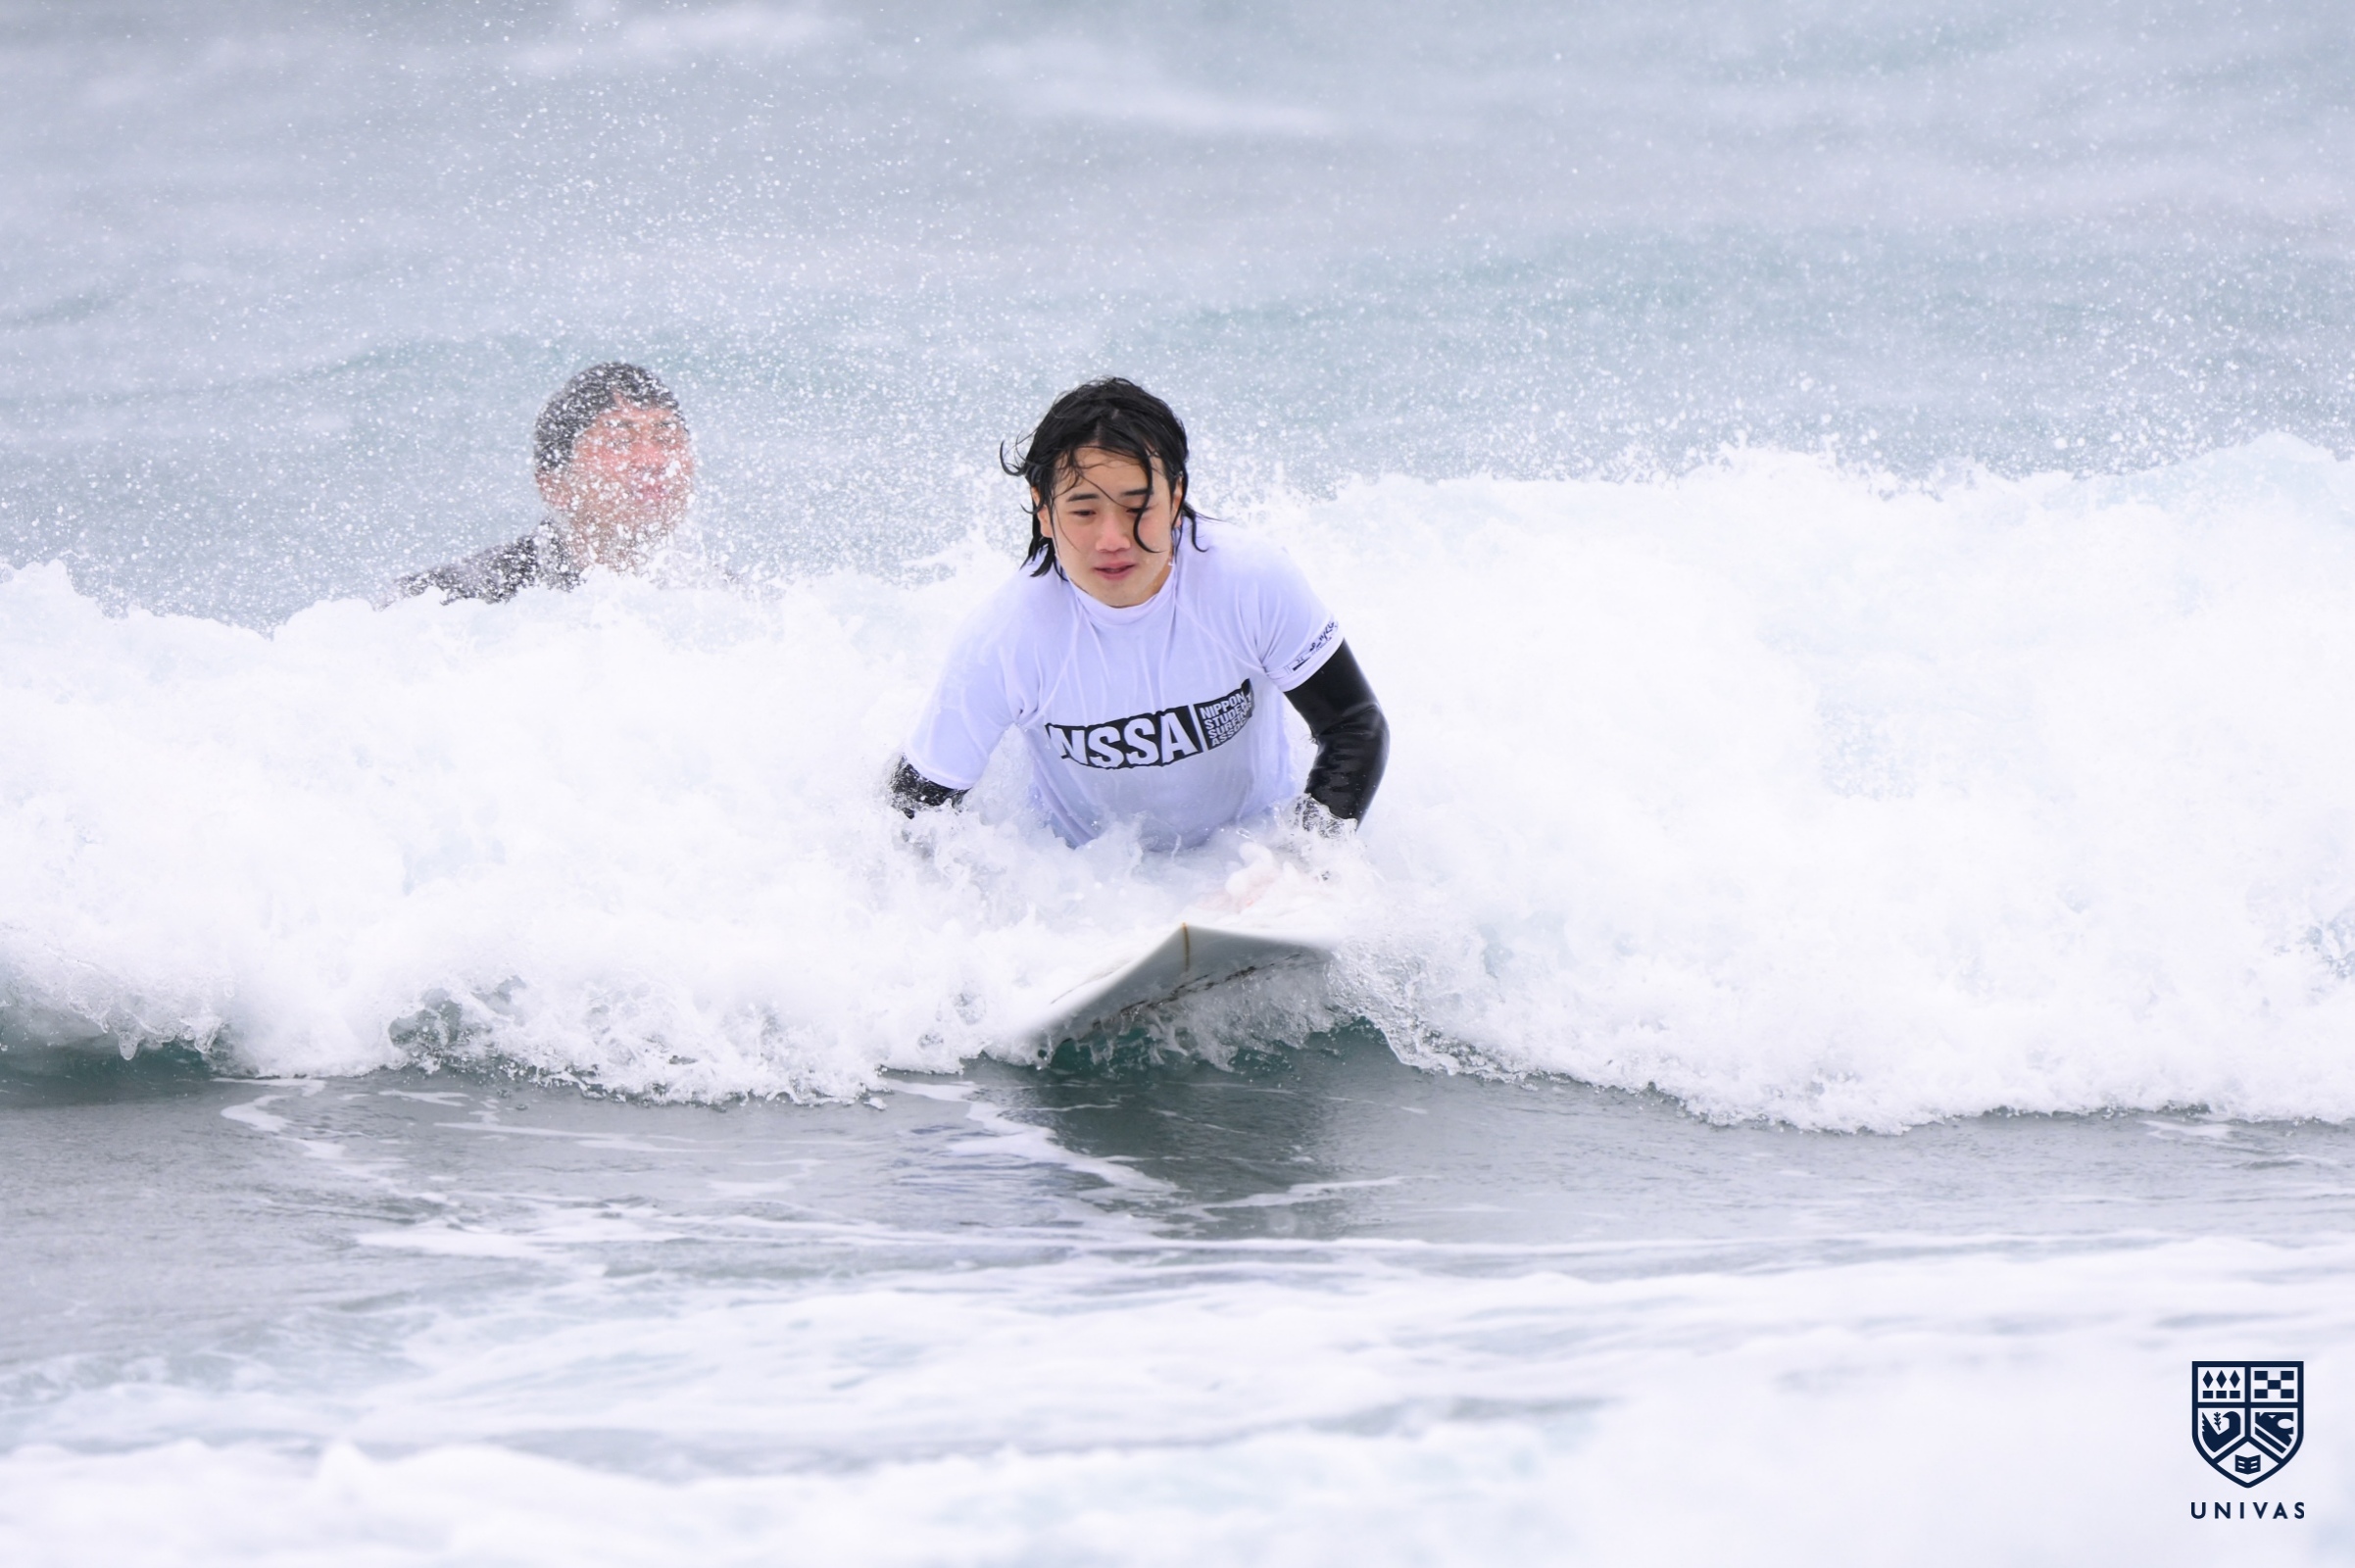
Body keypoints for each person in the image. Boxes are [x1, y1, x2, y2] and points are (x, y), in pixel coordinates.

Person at [891, 378, 1388, 849]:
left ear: (1175, 498)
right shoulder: (1006, 637)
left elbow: (1354, 725)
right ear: (1043, 510)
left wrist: (1298, 860)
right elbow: (913, 807)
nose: (1112, 539)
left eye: (1137, 507)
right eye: (1084, 511)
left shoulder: (1249, 581)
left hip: (1251, 851)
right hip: (1084, 879)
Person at [391, 362, 696, 604]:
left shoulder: (706, 595)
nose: (653, 461)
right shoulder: (456, 597)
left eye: (666, 439)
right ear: (554, 486)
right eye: (620, 442)